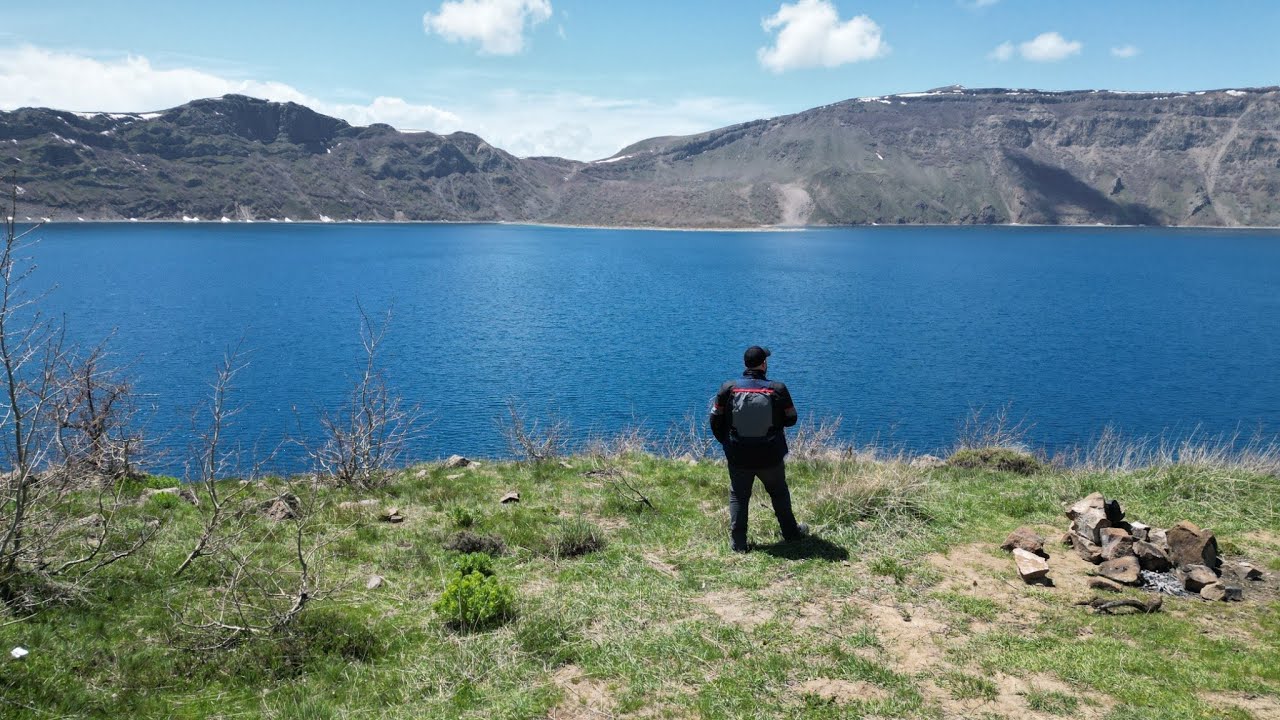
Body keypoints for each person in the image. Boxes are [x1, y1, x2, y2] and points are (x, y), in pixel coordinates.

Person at [709, 346, 807, 553]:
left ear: (745, 364)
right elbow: (791, 419)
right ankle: (791, 534)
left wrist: (727, 444)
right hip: (770, 455)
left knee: (739, 496)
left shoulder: (728, 388)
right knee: (779, 492)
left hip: (738, 455)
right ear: (764, 364)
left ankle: (738, 545)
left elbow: (715, 420)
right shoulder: (777, 389)